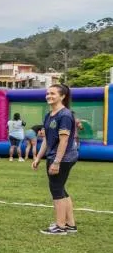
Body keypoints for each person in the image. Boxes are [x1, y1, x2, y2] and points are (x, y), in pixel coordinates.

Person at [32, 84, 79, 235]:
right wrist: (38, 157)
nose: (49, 96)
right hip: (55, 156)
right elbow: (47, 139)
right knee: (61, 189)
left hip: (63, 158)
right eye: (47, 93)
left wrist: (57, 162)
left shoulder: (64, 115)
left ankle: (60, 226)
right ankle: (70, 224)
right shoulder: (49, 115)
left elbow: (63, 141)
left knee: (56, 189)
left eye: (53, 93)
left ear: (62, 96)